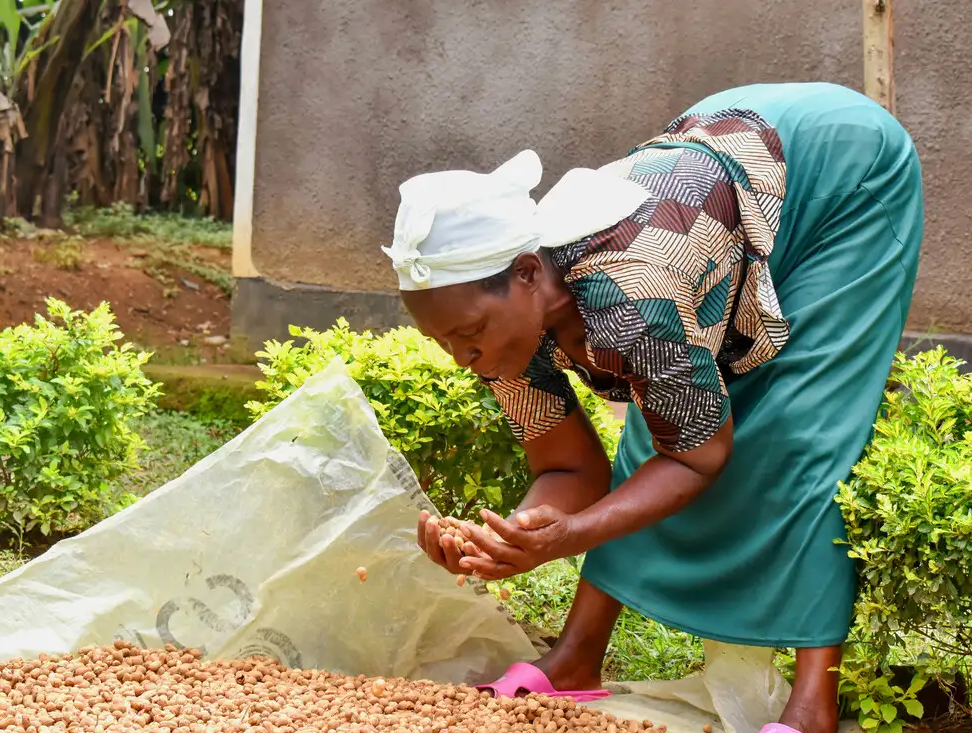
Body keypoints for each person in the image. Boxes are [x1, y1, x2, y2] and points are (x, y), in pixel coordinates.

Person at [381, 82, 923, 733]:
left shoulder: (632, 295)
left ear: (526, 273)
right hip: (725, 156)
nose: (461, 358)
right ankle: (576, 658)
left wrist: (572, 536)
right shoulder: (498, 334)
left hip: (841, 174)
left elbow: (697, 458)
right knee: (663, 414)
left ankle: (812, 705)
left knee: (801, 430)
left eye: (466, 336)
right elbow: (567, 469)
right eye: (441, 343)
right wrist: (505, 538)